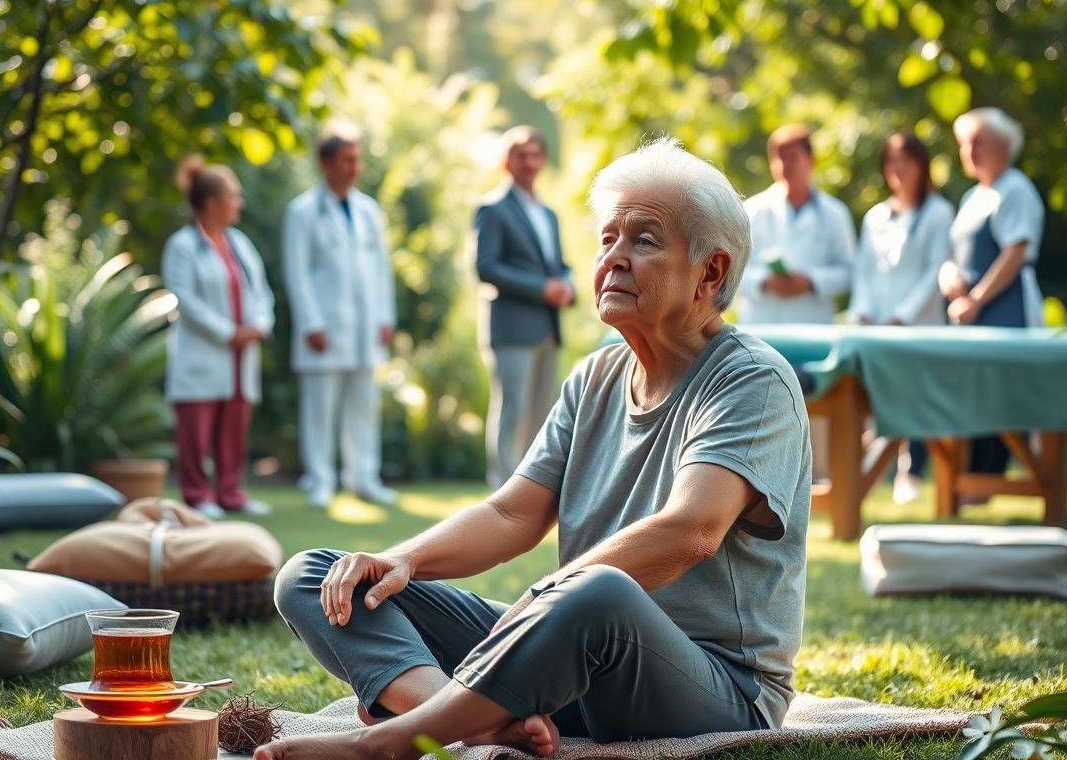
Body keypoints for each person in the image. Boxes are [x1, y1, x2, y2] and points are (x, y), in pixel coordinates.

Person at [257, 138, 811, 760]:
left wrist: (545, 602)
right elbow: (510, 514)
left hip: (716, 688)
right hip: (573, 655)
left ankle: (393, 741)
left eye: (645, 241)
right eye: (608, 239)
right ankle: (472, 721)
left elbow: (692, 529)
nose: (614, 259)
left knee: (597, 590)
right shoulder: (595, 377)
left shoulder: (751, 380)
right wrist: (399, 559)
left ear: (710, 271)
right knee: (317, 576)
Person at [282, 122, 398, 510]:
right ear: (326, 162)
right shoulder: (302, 211)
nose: (354, 167)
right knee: (319, 407)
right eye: (347, 160)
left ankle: (364, 477)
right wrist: (310, 323)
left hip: (366, 325)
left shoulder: (368, 209)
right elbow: (297, 273)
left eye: (356, 159)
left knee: (364, 405)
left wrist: (385, 316)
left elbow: (380, 268)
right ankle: (319, 478)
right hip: (324, 327)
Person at [161, 157, 275, 519]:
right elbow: (185, 299)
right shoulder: (182, 246)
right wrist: (230, 334)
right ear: (211, 202)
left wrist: (259, 324)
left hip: (242, 354)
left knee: (234, 426)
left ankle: (231, 492)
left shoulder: (240, 244)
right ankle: (198, 495)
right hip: (204, 353)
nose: (239, 203)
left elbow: (261, 291)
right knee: (196, 428)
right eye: (233, 196)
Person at [848, 132, 954, 503]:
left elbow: (935, 272)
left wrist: (902, 317)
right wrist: (863, 311)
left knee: (917, 397)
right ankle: (872, 470)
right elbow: (864, 272)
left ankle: (912, 471)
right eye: (890, 162)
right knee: (877, 396)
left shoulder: (939, 213)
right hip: (876, 326)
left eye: (904, 162)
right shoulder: (877, 215)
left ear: (921, 166)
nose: (896, 170)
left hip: (917, 326)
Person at [941, 107, 1046, 482]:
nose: (969, 150)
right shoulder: (973, 195)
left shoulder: (1015, 189)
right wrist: (948, 277)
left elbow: (1015, 252)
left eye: (977, 141)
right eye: (964, 144)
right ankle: (971, 478)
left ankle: (992, 477)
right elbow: (954, 254)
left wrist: (977, 300)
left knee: (1001, 393)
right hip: (974, 314)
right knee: (976, 393)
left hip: (1006, 308)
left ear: (1004, 145)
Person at [474, 126, 574, 489]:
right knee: (511, 411)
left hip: (548, 325)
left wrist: (567, 284)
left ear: (543, 159)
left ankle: (530, 489)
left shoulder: (548, 213)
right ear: (506, 162)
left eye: (535, 154)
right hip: (512, 327)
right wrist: (542, 289)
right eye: (521, 155)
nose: (529, 162)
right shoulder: (493, 209)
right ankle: (502, 488)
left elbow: (557, 263)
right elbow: (486, 267)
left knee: (541, 413)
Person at [737, 124, 855, 325]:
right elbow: (732, 271)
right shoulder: (752, 209)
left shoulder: (835, 213)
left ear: (811, 160)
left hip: (813, 324)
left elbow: (849, 272)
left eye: (793, 157)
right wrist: (765, 282)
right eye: (779, 158)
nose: (786, 165)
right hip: (761, 325)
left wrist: (811, 281)